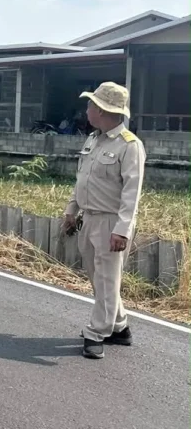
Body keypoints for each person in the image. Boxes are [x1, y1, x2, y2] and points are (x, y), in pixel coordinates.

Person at [61, 82, 145, 360]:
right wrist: (71, 210)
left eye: (90, 105)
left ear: (102, 110)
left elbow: (132, 194)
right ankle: (120, 327)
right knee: (99, 279)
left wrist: (122, 230)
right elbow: (81, 180)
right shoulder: (93, 140)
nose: (86, 110)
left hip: (111, 223)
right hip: (89, 218)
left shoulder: (130, 146)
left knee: (107, 280)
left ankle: (96, 332)